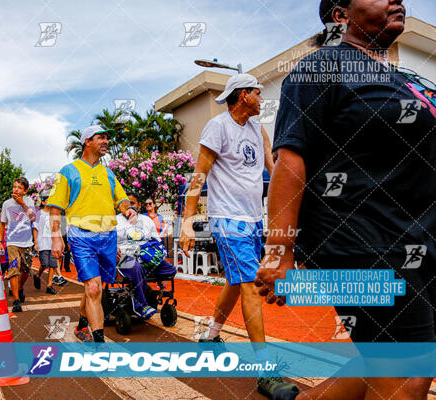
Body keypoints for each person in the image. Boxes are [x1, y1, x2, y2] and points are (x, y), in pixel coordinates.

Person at [254, 1, 436, 399]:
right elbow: (290, 157)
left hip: (418, 236)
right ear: (341, 15)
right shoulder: (321, 68)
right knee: (409, 373)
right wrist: (279, 252)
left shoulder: (405, 79)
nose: (396, 0)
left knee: (381, 363)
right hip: (360, 240)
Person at [179, 73, 297, 397]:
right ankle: (265, 372)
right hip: (227, 220)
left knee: (235, 280)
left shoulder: (257, 130)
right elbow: (198, 175)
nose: (262, 99)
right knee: (249, 283)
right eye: (258, 93)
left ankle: (211, 336)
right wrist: (188, 222)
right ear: (243, 95)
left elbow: (274, 169)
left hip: (252, 220)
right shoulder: (218, 127)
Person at [49, 124, 138, 343]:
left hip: (108, 237)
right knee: (94, 288)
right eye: (101, 137)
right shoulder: (68, 171)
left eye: (107, 138)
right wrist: (56, 237)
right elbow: (55, 208)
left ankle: (81, 325)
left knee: (94, 288)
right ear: (87, 141)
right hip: (82, 236)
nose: (106, 141)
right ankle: (100, 345)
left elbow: (121, 198)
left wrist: (128, 207)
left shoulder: (108, 173)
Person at [117, 193, 176, 318]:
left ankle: (149, 292)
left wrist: (156, 254)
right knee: (137, 268)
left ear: (138, 205)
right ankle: (141, 305)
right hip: (125, 257)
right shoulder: (116, 220)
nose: (129, 207)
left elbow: (156, 240)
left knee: (170, 270)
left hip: (146, 256)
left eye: (132, 203)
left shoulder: (147, 220)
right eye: (126, 204)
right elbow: (107, 241)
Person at [0, 177, 38, 312]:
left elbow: (33, 218)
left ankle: (20, 287)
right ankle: (16, 300)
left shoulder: (29, 201)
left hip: (26, 241)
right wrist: (0, 241)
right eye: (14, 186)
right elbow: (2, 222)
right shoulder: (6, 204)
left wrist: (22, 203)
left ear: (25, 190)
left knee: (27, 269)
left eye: (19, 188)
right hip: (12, 241)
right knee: (13, 269)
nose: (16, 189)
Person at [33, 196, 60, 295]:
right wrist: (36, 242)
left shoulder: (54, 214)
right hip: (43, 242)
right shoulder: (39, 214)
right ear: (44, 202)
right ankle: (37, 275)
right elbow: (35, 229)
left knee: (52, 264)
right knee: (44, 264)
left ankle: (49, 285)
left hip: (53, 243)